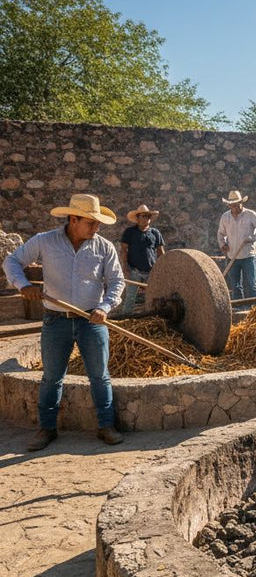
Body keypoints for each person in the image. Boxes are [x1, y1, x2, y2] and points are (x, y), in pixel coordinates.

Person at [2, 193, 126, 451]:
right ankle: (46, 428)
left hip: (92, 320)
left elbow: (117, 281)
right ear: (73, 219)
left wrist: (104, 307)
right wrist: (23, 285)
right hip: (55, 321)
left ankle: (106, 425)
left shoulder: (104, 247)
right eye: (91, 222)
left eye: (98, 222)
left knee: (100, 376)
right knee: (52, 377)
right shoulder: (45, 241)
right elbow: (11, 261)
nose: (96, 227)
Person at [217, 189, 256, 299]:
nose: (236, 208)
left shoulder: (250, 215)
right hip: (232, 257)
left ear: (241, 203)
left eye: (237, 205)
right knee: (235, 286)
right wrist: (223, 244)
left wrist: (253, 238)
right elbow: (220, 234)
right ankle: (239, 306)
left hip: (248, 256)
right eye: (233, 205)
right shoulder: (225, 217)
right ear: (229, 206)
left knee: (252, 285)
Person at [118, 203, 165, 315]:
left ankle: (152, 316)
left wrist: (162, 268)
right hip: (134, 270)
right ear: (137, 218)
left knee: (154, 295)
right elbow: (123, 250)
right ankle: (125, 318)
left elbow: (160, 251)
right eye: (143, 216)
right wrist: (125, 267)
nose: (145, 218)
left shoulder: (155, 233)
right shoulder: (130, 232)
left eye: (148, 216)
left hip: (151, 271)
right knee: (130, 297)